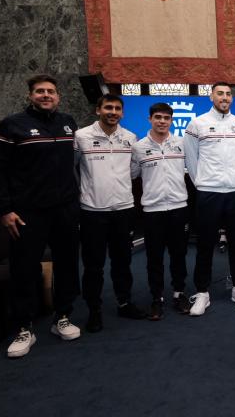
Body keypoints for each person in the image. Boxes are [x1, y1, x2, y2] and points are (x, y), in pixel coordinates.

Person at [0, 74, 82, 358]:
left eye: (51, 91)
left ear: (58, 96)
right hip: (27, 212)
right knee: (24, 268)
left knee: (67, 264)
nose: (46, 95)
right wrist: (5, 210)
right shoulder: (12, 125)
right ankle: (23, 327)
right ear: (30, 95)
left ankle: (62, 316)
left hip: (64, 209)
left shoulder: (68, 123)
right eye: (40, 91)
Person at [74, 94, 147, 331]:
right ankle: (94, 309)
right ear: (98, 110)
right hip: (92, 211)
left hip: (123, 210)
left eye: (117, 108)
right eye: (108, 107)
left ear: (122, 113)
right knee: (93, 264)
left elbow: (134, 172)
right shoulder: (81, 137)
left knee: (123, 262)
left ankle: (124, 302)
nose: (112, 112)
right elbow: (71, 170)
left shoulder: (130, 138)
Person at [184, 82, 235, 312]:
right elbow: (191, 160)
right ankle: (202, 292)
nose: (225, 97)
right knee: (204, 244)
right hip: (208, 193)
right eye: (220, 93)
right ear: (211, 97)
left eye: (228, 94)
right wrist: (203, 183)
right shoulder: (197, 124)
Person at [130, 103, 190, 320]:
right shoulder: (138, 147)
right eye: (158, 117)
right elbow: (133, 175)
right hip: (152, 211)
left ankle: (179, 293)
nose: (162, 121)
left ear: (172, 120)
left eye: (166, 117)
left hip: (178, 208)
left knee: (179, 255)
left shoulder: (182, 144)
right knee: (154, 258)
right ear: (150, 119)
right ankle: (157, 298)